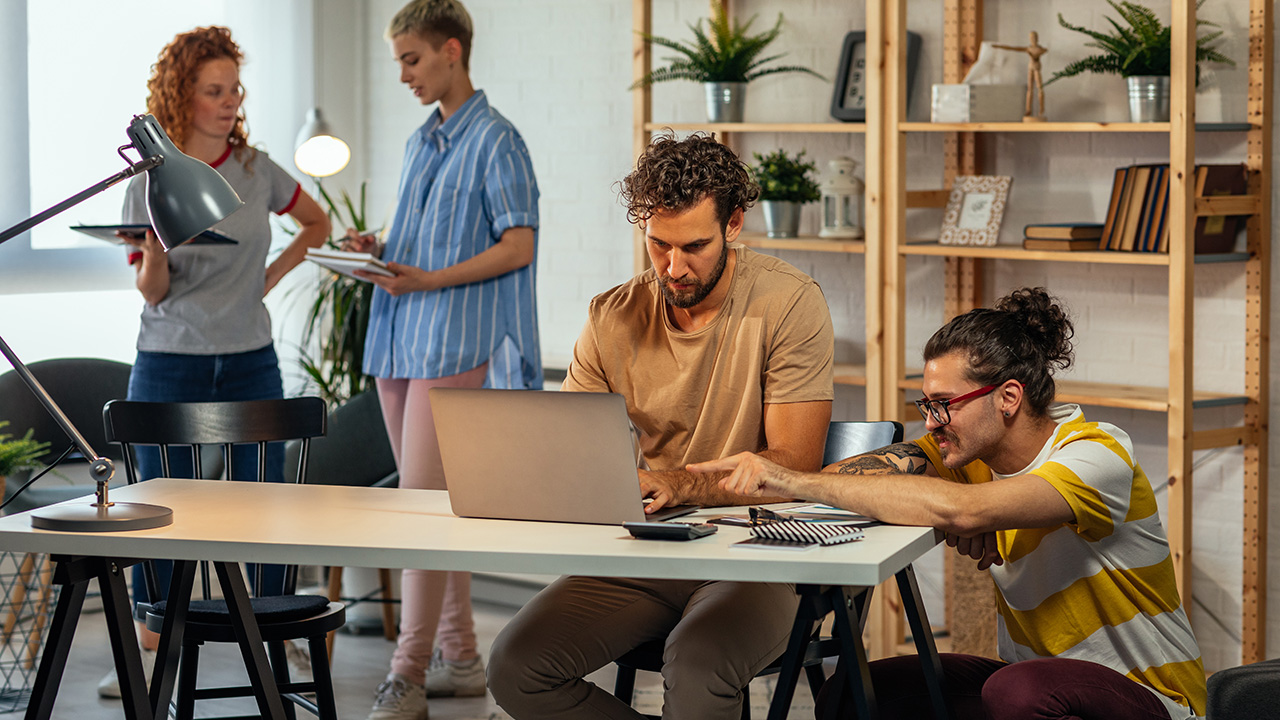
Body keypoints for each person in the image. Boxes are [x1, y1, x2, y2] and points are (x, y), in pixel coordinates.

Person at [696, 287, 1205, 720]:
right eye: (926, 405)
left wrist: (962, 507)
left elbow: (964, 511)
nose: (932, 421)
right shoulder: (963, 458)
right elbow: (848, 478)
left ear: (1008, 398)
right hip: (1037, 683)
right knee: (851, 691)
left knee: (1015, 693)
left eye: (944, 404)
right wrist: (956, 500)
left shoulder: (1097, 452)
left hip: (1151, 698)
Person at [486, 131, 835, 720]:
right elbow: (571, 446)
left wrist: (681, 482)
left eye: (694, 245)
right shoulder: (612, 315)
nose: (673, 267)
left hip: (757, 552)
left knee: (698, 664)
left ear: (734, 224)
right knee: (517, 668)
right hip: (644, 552)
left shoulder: (789, 302)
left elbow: (795, 464)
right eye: (657, 245)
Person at [97, 25, 331, 700]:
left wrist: (270, 276)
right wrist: (158, 246)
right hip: (170, 361)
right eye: (213, 91)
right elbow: (151, 288)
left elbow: (315, 224)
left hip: (250, 361)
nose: (229, 102)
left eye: (234, 89)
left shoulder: (257, 170)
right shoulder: (148, 182)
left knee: (264, 507)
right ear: (183, 96)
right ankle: (150, 650)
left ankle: (273, 636)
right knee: (159, 514)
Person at [343, 2, 542, 718]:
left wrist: (428, 278)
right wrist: (377, 246)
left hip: (458, 342)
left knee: (418, 514)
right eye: (398, 60)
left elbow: (517, 245)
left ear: (451, 51)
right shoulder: (418, 143)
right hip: (400, 339)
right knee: (429, 509)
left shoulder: (497, 141)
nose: (402, 74)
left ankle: (409, 674)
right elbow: (421, 237)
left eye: (411, 59)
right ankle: (460, 656)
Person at [993, 31, 1048, 121]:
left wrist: (1039, 53)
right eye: (1031, 38)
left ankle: (1041, 109)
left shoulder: (1039, 49)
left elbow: (1045, 50)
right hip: (1030, 69)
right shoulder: (1029, 49)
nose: (1033, 39)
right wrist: (999, 46)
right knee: (1030, 89)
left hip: (1037, 69)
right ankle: (1028, 109)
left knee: (1040, 88)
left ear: (1037, 39)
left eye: (1034, 37)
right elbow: (1013, 48)